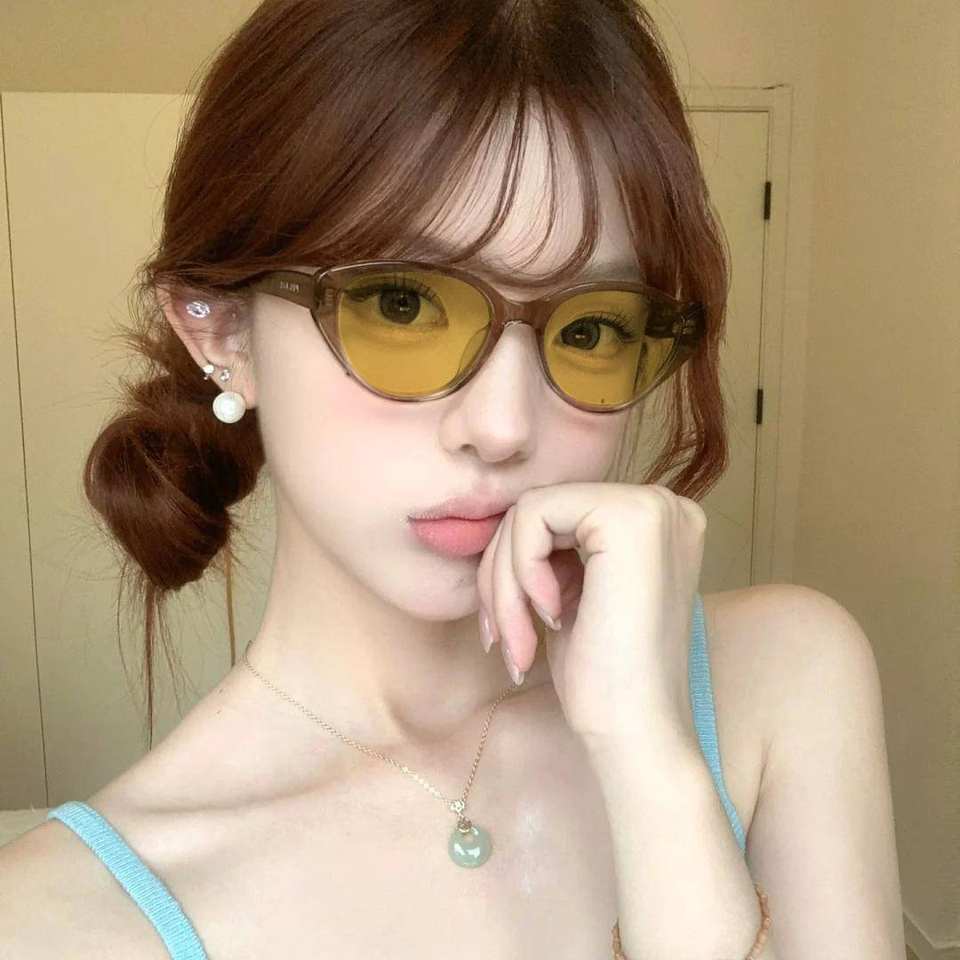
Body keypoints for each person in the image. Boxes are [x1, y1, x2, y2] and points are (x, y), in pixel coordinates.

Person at [0, 1, 906, 957]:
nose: (505, 427)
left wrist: (652, 765)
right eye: (402, 304)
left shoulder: (785, 679)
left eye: (591, 327)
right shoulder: (55, 922)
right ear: (220, 330)